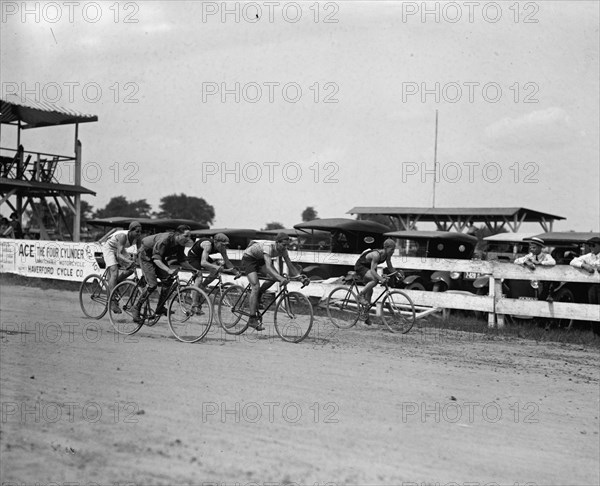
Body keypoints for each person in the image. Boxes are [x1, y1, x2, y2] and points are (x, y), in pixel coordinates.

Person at [133, 225, 196, 323]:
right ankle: (136, 308)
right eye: (186, 236)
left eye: (189, 236)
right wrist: (168, 270)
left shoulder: (180, 244)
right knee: (152, 285)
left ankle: (160, 307)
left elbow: (182, 261)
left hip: (158, 258)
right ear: (178, 235)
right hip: (146, 256)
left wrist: (194, 270)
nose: (188, 239)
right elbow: (156, 260)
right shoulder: (165, 240)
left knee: (168, 280)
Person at [241, 232, 303, 331]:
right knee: (255, 286)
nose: (285, 247)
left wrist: (300, 277)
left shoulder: (283, 250)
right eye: (283, 245)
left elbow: (290, 265)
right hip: (249, 259)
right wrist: (281, 278)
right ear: (277, 243)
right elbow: (269, 267)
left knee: (274, 277)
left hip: (260, 259)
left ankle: (259, 294)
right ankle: (252, 319)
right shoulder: (268, 247)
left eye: (287, 245)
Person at [354, 238, 401, 324]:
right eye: (392, 249)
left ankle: (365, 315)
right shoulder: (376, 255)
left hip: (368, 268)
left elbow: (390, 267)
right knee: (375, 280)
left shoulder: (387, 255)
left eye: (394, 249)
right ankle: (360, 296)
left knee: (370, 292)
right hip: (361, 267)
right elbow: (372, 271)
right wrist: (381, 279)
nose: (393, 251)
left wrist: (396, 274)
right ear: (386, 248)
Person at [102, 221, 143, 314]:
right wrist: (129, 261)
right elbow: (118, 255)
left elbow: (140, 253)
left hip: (119, 249)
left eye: (140, 231)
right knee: (114, 271)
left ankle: (115, 283)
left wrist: (141, 264)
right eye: (137, 231)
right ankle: (112, 301)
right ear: (131, 230)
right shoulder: (123, 236)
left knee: (131, 269)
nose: (139, 234)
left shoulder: (138, 238)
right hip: (110, 248)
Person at [570, 236, 600, 306]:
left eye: (593, 245)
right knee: (593, 305)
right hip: (592, 285)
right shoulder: (589, 256)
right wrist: (584, 265)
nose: (591, 248)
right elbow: (573, 261)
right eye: (589, 245)